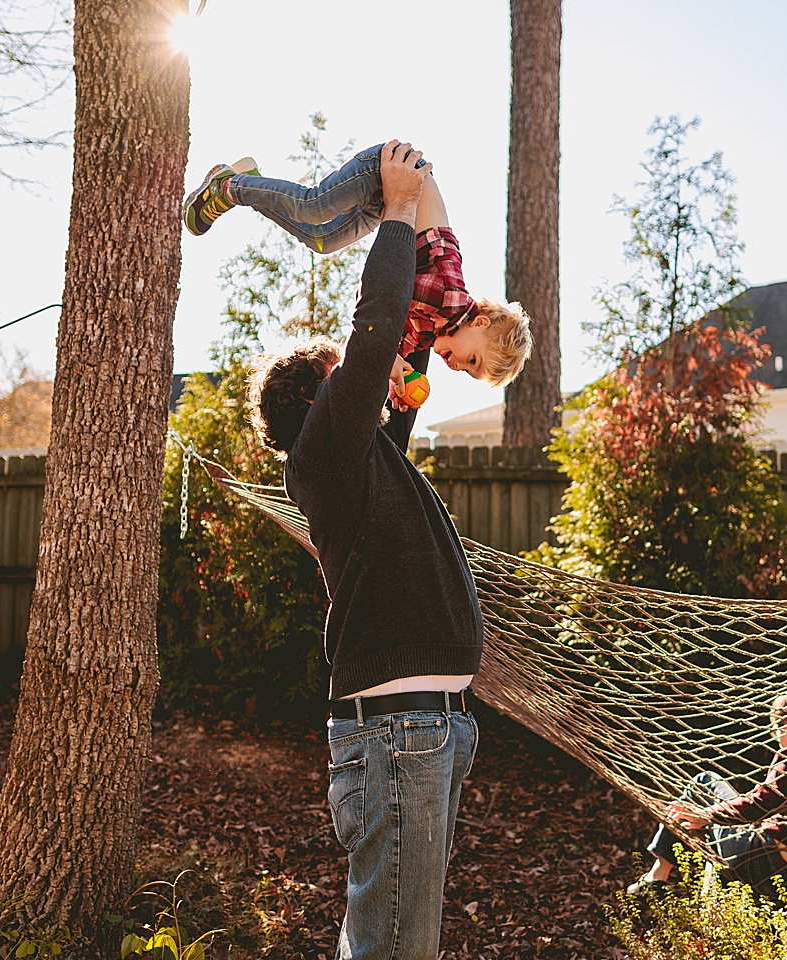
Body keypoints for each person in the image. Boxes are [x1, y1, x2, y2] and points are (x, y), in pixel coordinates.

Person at [246, 142, 483, 960]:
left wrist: (425, 224)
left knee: (384, 939)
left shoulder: (367, 452)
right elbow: (378, 332)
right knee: (395, 948)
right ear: (321, 398)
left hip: (430, 728)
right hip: (400, 733)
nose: (370, 378)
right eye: (348, 374)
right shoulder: (327, 453)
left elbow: (403, 343)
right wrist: (389, 210)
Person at [185, 139, 533, 393]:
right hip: (392, 170)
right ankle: (228, 186)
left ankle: (249, 181)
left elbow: (394, 337)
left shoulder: (432, 329)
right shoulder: (448, 298)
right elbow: (379, 296)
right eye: (472, 360)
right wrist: (388, 359)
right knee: (314, 206)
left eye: (467, 372)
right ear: (480, 322)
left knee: (321, 239)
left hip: (388, 201)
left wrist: (395, 371)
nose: (457, 366)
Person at [630, 687, 787, 900]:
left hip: (768, 863)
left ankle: (658, 875)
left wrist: (707, 815)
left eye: (777, 731)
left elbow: (759, 803)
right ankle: (709, 904)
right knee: (720, 827)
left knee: (704, 784)